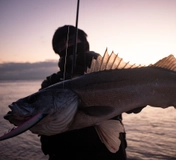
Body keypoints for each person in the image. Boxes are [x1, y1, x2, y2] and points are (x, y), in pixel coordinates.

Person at [40, 25, 127, 160]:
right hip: (63, 154)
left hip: (107, 152)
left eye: (72, 41)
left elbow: (134, 101)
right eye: (61, 44)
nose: (67, 46)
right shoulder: (51, 82)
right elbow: (41, 114)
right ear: (57, 50)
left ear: (84, 43)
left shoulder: (111, 73)